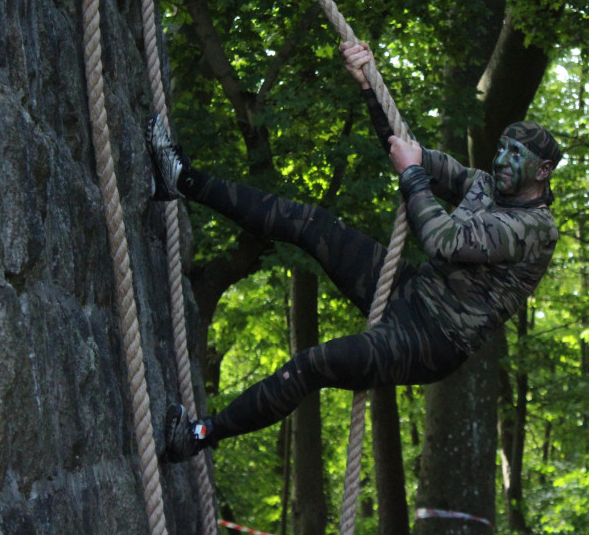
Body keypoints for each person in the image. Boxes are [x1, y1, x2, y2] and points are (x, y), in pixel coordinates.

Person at [152, 42, 561, 462]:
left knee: (312, 365)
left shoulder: (535, 229)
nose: (502, 160)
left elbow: (444, 240)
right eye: (502, 149)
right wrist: (369, 84)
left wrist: (414, 176)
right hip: (409, 289)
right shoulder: (484, 184)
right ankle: (183, 181)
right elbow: (404, 149)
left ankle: (198, 435)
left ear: (543, 171)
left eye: (516, 155)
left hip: (432, 340)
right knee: (314, 223)